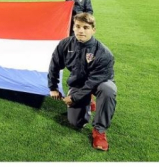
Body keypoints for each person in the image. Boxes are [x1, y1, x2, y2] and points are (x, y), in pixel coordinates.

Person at [48, 13, 116, 151]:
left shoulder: (104, 53)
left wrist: (74, 97)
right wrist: (53, 87)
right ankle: (87, 101)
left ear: (93, 30)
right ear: (73, 27)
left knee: (109, 90)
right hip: (78, 83)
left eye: (85, 27)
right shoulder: (65, 44)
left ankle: (99, 131)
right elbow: (54, 65)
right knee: (76, 122)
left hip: (99, 83)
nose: (81, 30)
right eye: (77, 26)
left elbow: (93, 82)